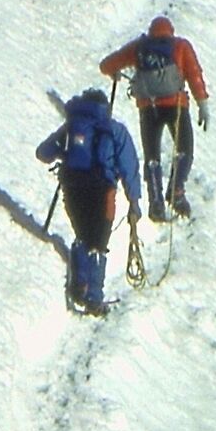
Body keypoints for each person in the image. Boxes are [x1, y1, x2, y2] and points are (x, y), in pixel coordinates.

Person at [36, 87, 142, 316]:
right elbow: (129, 166)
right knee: (98, 243)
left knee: (83, 236)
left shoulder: (72, 126)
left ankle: (79, 285)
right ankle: (94, 297)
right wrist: (134, 202)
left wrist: (65, 153)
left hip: (73, 187)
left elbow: (43, 153)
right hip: (103, 190)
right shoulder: (115, 130)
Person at [98, 15, 210, 221]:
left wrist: (114, 73)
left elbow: (106, 65)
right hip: (176, 106)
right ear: (171, 32)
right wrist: (202, 103)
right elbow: (194, 74)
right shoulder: (181, 46)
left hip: (148, 108)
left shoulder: (139, 47)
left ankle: (156, 202)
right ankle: (176, 191)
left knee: (152, 157)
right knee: (184, 150)